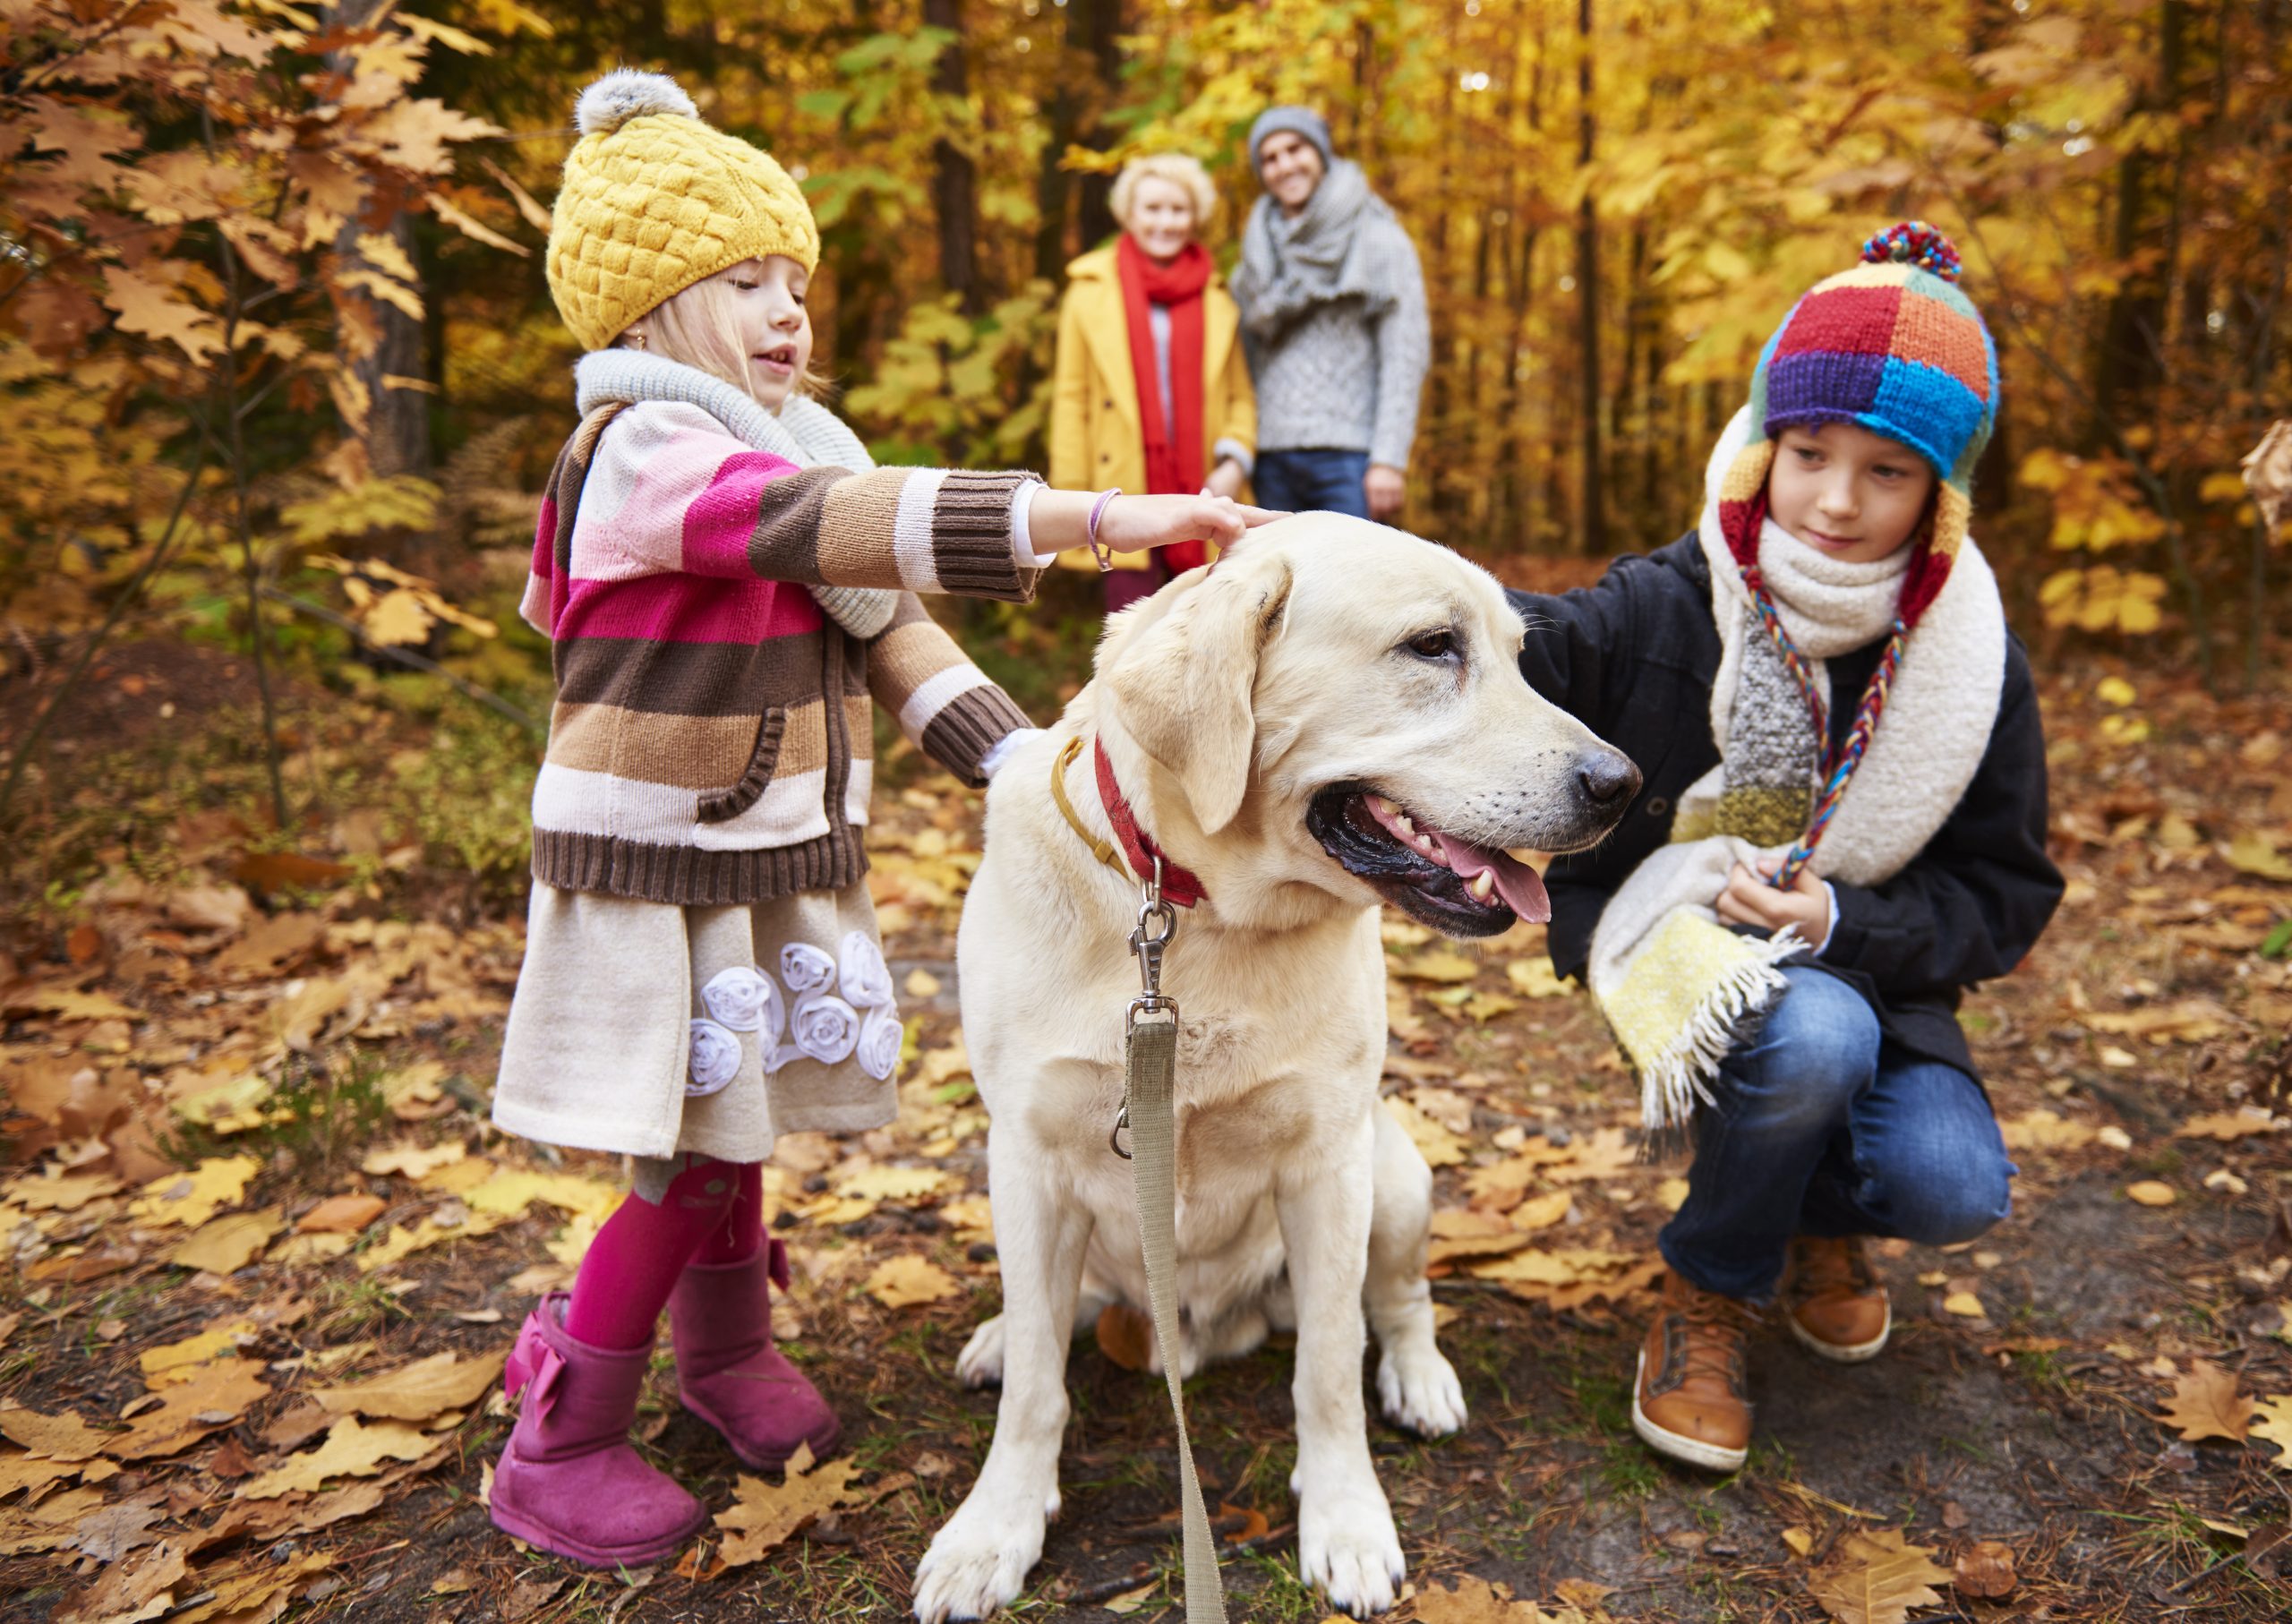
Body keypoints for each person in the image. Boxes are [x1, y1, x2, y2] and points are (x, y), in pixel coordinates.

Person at [488, 70, 1260, 1570]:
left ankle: (724, 1355)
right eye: (741, 283)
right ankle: (563, 1433)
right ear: (643, 313)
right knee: (682, 1149)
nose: (788, 311)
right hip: (657, 864)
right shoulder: (651, 455)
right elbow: (831, 528)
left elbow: (894, 632)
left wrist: (1041, 781)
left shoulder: (793, 446)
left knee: (742, 1118)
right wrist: (1097, 515)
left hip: (760, 845)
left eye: (795, 282)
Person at [1506, 223, 2063, 1474]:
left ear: (1942, 497)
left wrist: (1836, 922)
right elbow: (1517, 638)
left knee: (1953, 1183)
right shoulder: (1669, 598)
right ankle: (1711, 1287)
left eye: (1888, 472)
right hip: (1681, 948)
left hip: (1877, 975)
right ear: (1769, 444)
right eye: (1810, 453)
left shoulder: (1971, 665)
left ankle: (1812, 1209)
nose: (1835, 500)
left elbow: (2006, 889)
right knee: (1815, 1035)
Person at [1049, 152, 1256, 613]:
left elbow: (1240, 395)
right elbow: (1072, 398)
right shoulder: (1088, 288)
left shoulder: (1218, 294)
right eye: (1153, 209)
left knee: (1204, 633)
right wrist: (1071, 498)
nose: (1166, 222)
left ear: (1195, 215)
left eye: (1178, 209)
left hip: (1204, 488)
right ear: (1130, 213)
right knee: (1130, 638)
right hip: (1122, 487)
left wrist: (1234, 463)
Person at [1228, 105, 1429, 523]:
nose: (1284, 165)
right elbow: (1240, 365)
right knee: (1277, 588)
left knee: (1353, 588)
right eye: (1269, 158)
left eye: (1294, 149)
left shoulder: (1378, 239)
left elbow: (1405, 354)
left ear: (1320, 152)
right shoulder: (1254, 258)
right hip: (1269, 458)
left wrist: (1389, 459)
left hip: (1350, 459)